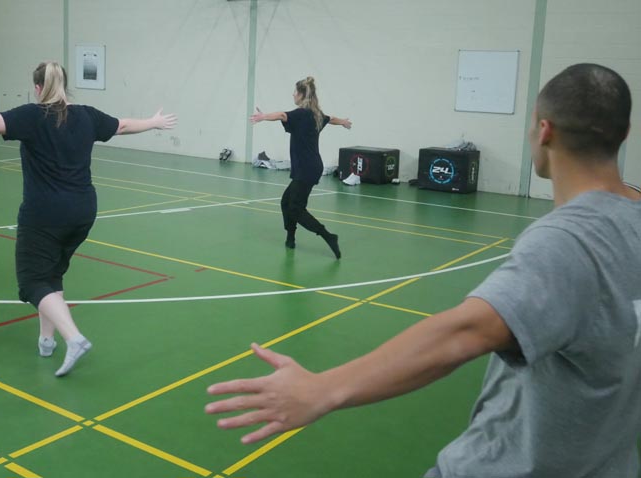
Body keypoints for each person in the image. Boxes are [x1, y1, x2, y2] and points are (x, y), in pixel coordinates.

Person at [206, 63, 641, 477]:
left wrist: (325, 389)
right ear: (623, 133)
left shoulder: (563, 243)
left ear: (543, 131)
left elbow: (464, 332)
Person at [0, 61, 177, 377]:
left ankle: (74, 338)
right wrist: (154, 121)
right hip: (83, 212)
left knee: (32, 281)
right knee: (51, 275)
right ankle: (46, 341)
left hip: (46, 214)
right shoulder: (88, 115)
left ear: (38, 88)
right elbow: (123, 125)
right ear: (65, 84)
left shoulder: (34, 116)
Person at [250, 76, 351, 258]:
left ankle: (329, 236)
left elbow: (282, 115)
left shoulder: (301, 114)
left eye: (295, 91)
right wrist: (343, 121)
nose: (293, 94)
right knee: (286, 202)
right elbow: (332, 118)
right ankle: (291, 237)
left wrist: (263, 117)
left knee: (296, 208)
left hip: (306, 168)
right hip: (310, 166)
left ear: (303, 95)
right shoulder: (317, 115)